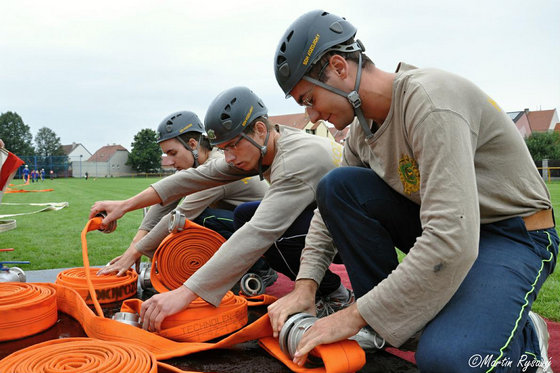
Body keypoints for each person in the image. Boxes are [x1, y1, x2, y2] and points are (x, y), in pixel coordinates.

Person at [268, 10, 558, 372]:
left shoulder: (431, 102)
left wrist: (352, 316)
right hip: (456, 231)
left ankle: (525, 339)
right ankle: (389, 325)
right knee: (337, 187)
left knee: (449, 359)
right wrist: (305, 286)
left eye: (309, 99)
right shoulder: (361, 132)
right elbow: (328, 214)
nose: (311, 116)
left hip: (512, 234)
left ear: (340, 68)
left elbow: (451, 238)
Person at [91, 87, 354, 332]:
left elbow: (258, 233)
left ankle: (335, 295)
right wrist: (123, 206)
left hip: (355, 240)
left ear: (260, 130)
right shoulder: (268, 144)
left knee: (258, 229)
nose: (227, 157)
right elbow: (188, 181)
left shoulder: (293, 161)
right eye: (222, 149)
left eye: (232, 146)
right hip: (333, 225)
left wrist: (184, 293)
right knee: (244, 215)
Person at [96, 110, 270, 281]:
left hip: (268, 240)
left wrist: (136, 252)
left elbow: (180, 214)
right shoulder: (199, 167)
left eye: (173, 153)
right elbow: (166, 200)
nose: (169, 162)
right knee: (185, 218)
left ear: (193, 144)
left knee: (194, 218)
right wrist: (134, 246)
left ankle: (259, 270)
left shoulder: (217, 164)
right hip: (246, 228)